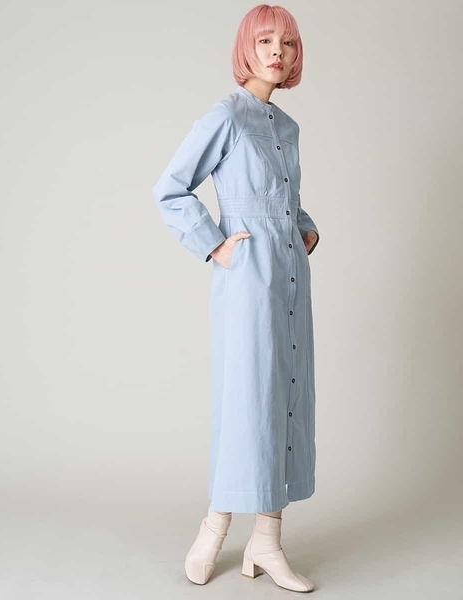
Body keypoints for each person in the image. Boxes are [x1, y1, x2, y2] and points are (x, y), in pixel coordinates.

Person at [152, 4, 319, 593]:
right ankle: (214, 528)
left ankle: (267, 542)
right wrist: (214, 245)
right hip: (248, 274)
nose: (277, 52)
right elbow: (171, 189)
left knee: (287, 395)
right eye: (266, 40)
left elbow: (284, 196)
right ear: (247, 49)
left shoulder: (287, 128)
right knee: (247, 397)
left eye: (288, 43)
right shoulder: (225, 116)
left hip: (291, 272)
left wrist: (305, 226)